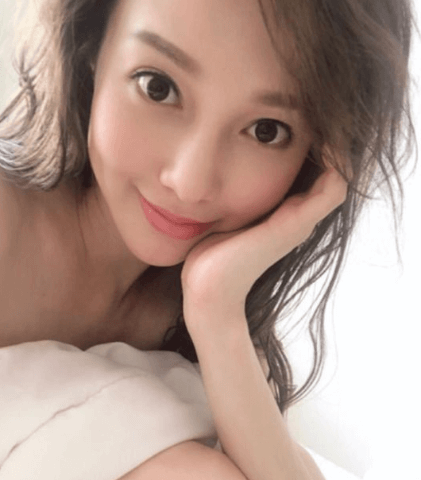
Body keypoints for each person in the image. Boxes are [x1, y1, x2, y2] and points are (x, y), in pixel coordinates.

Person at [0, 0, 416, 479]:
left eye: (266, 131)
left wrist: (215, 308)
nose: (190, 182)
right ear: (90, 47)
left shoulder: (204, 314)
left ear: (317, 159)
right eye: (158, 87)